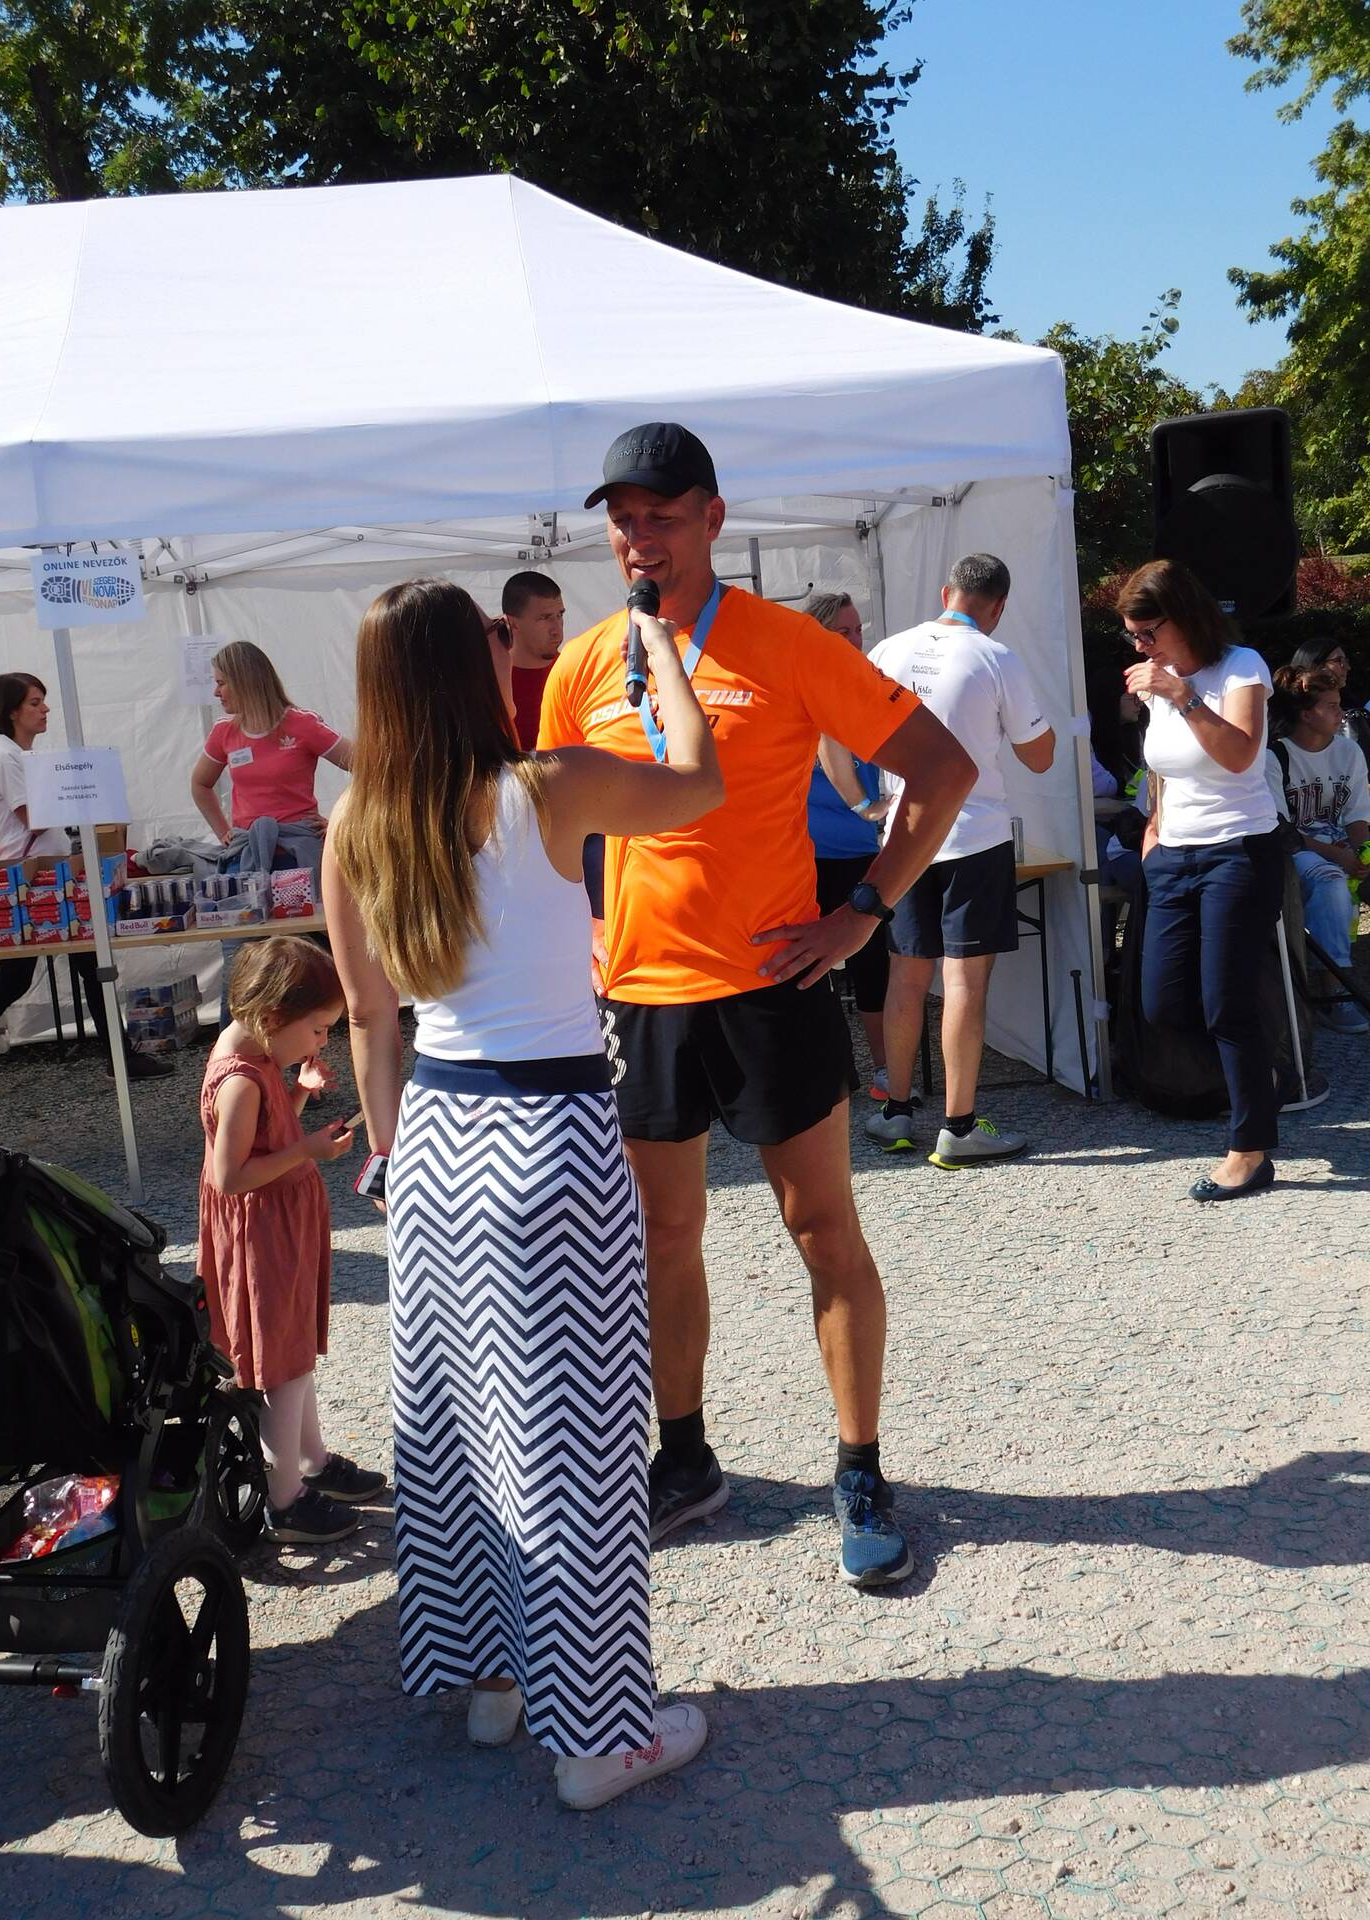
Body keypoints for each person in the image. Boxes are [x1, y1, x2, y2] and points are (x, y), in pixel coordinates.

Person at [537, 422, 975, 1589]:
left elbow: (943, 770)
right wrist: (578, 931)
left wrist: (864, 911)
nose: (641, 538)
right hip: (640, 996)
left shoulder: (784, 644)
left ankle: (860, 1466)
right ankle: (684, 1459)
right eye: (624, 520)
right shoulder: (583, 666)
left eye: (663, 516)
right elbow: (553, 827)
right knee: (662, 1238)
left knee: (823, 1231)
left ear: (713, 519)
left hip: (773, 987)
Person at [323, 577, 723, 1808]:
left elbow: (368, 1018)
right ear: (474, 663)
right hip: (546, 1132)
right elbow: (701, 779)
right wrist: (661, 649)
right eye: (497, 635)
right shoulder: (548, 786)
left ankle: (492, 1680)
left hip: (435, 1143)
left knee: (462, 1424)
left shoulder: (356, 822)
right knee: (581, 1441)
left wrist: (388, 1153)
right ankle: (600, 1738)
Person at [865, 555, 1056, 1167]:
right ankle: (958, 1125)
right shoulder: (997, 657)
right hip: (974, 834)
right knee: (964, 982)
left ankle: (895, 1112)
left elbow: (848, 735)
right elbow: (1040, 757)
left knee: (905, 975)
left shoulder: (888, 650)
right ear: (998, 606)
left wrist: (865, 801)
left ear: (946, 592)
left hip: (903, 833)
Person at [198, 934, 386, 1545]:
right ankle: (285, 1501)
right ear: (275, 1016)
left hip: (278, 1227)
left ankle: (311, 1462)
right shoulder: (242, 1079)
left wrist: (300, 1091)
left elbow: (262, 1137)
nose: (323, 1041)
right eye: (319, 1029)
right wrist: (308, 1150)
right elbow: (229, 1176)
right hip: (264, 1236)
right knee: (283, 1361)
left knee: (294, 1352)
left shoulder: (256, 1054)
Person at [1119, 559, 1281, 1202]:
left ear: (1184, 617)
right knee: (1162, 1003)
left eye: (1148, 632)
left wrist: (1182, 695)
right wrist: (1154, 827)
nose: (1140, 646)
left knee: (1226, 1005)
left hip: (1238, 851)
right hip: (1173, 856)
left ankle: (1250, 1150)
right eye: (1132, 635)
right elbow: (1164, 765)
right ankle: (1255, 1078)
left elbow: (1240, 754)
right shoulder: (1158, 682)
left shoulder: (1241, 667)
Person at [0, 671, 172, 1105]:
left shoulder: (18, 757)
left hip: (44, 873)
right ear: (12, 712)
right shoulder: (6, 758)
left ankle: (119, 1056)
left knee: (86, 964)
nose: (44, 710)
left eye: (43, 701)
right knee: (19, 978)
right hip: (28, 879)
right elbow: (35, 818)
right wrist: (84, 791)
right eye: (34, 702)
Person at [803, 592, 892, 1096]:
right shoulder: (810, 685)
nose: (855, 640)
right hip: (811, 853)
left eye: (858, 630)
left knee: (872, 961)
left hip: (861, 853)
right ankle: (830, 1073)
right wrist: (867, 807)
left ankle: (882, 1070)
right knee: (814, 966)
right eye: (843, 631)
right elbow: (829, 749)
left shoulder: (863, 685)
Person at [189, 640, 354, 874]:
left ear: (244, 682)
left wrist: (342, 821)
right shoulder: (223, 732)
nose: (216, 693)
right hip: (248, 853)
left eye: (221, 683)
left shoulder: (302, 724)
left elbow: (369, 767)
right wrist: (223, 832)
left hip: (298, 852)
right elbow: (200, 784)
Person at [1268, 666, 1370, 1036]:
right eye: (1331, 706)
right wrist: (1339, 857)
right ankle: (1334, 989)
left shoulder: (1349, 751)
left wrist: (1363, 853)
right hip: (1295, 849)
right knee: (1328, 881)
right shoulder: (1275, 757)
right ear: (1306, 714)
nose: (1341, 713)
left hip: (1338, 843)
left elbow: (1356, 816)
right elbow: (1281, 829)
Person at [500, 571, 566, 752]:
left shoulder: (576, 670)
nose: (556, 629)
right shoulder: (493, 682)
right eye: (544, 618)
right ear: (513, 623)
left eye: (559, 615)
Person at [1288, 638, 1370, 771]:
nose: (1347, 667)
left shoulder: (1353, 708)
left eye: (1346, 661)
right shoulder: (1281, 745)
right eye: (1339, 661)